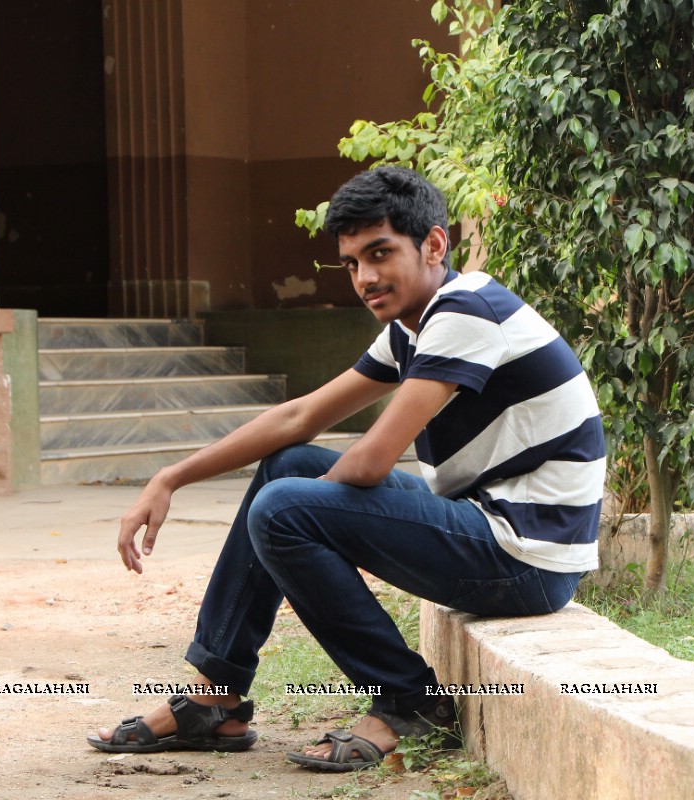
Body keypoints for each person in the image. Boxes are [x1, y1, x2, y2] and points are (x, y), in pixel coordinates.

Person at [88, 166, 605, 771]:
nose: (364, 278)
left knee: (282, 506)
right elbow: (299, 417)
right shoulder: (410, 327)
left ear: (434, 245)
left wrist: (295, 521)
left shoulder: (467, 311)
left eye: (380, 254)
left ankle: (409, 700)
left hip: (527, 561)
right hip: (485, 531)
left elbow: (370, 461)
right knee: (287, 468)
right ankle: (216, 695)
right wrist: (169, 477)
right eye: (352, 261)